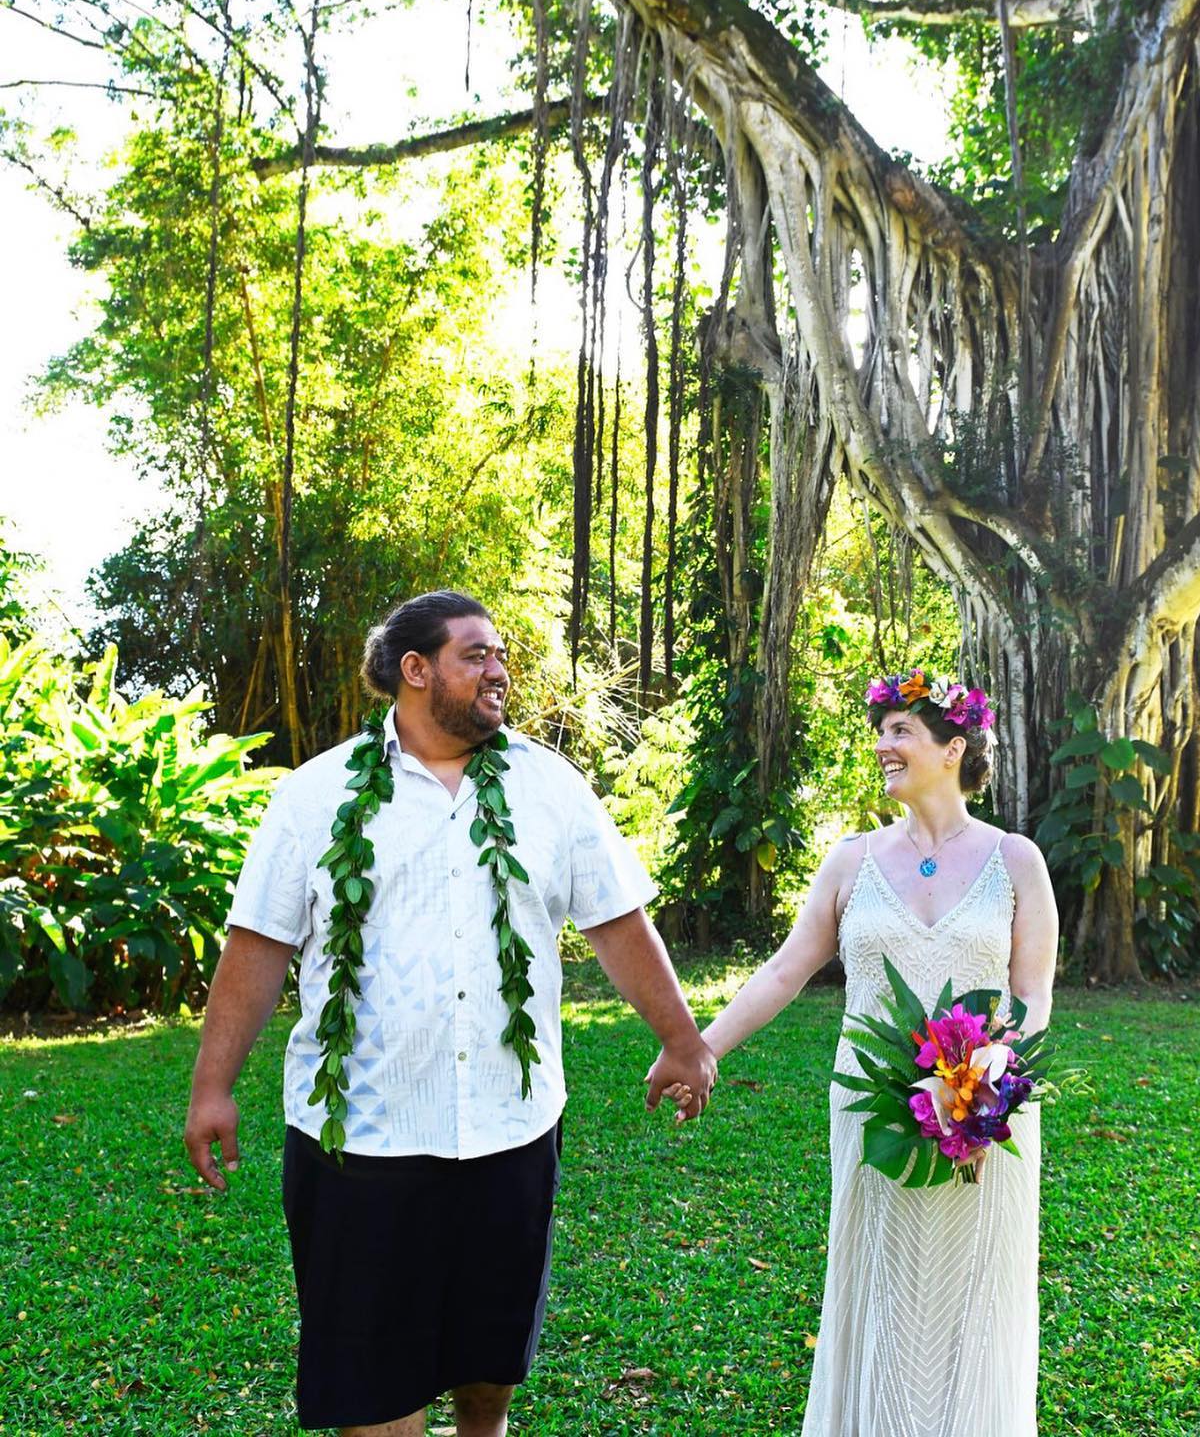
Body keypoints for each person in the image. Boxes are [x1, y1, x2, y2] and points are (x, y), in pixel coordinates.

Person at [184, 591, 715, 1437]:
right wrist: (212, 1087)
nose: (499, 670)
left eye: (500, 654)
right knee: (376, 1398)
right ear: (415, 670)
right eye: (476, 654)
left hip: (510, 1133)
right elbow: (258, 945)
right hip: (361, 1143)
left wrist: (681, 1039)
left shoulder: (549, 787)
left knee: (486, 1382)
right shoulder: (315, 797)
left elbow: (616, 918)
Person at [670, 669, 1058, 1437]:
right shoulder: (851, 862)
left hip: (986, 1115)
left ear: (954, 747)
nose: (882, 747)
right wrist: (700, 1048)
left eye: (900, 732)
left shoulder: (1016, 861)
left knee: (973, 1289)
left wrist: (985, 1090)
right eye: (880, 733)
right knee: (878, 1281)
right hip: (873, 1105)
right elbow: (786, 969)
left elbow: (1032, 994)